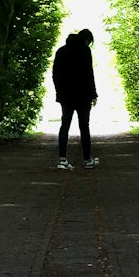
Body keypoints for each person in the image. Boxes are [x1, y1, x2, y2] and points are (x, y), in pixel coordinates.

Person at [52, 28, 99, 170]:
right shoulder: (85, 51)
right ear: (87, 40)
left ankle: (62, 160)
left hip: (66, 96)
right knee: (84, 127)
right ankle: (87, 160)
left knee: (64, 126)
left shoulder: (61, 51)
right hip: (83, 96)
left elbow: (55, 74)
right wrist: (93, 94)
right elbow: (88, 73)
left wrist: (59, 92)